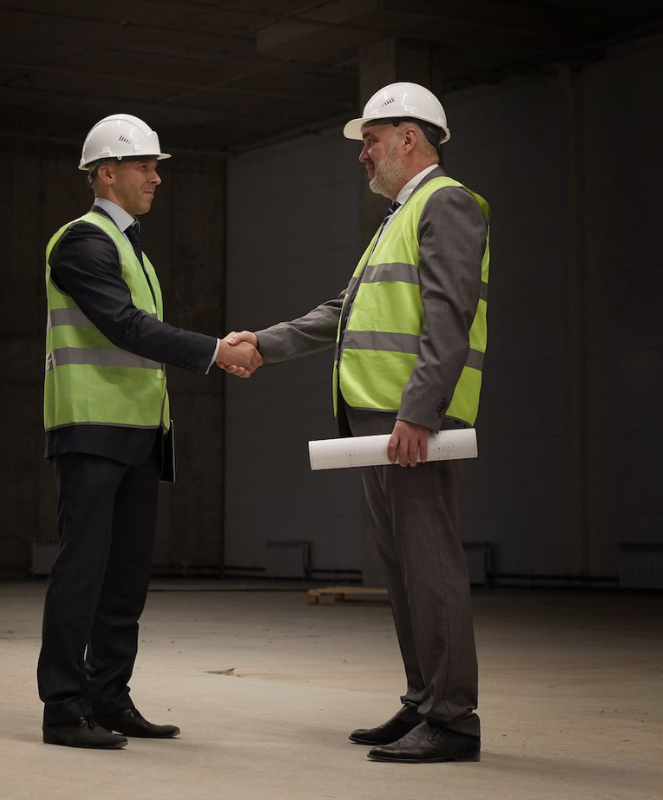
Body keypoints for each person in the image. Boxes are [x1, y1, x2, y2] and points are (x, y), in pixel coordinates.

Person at [225, 82, 489, 764]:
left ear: (409, 136)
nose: (363, 154)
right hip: (381, 420)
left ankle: (454, 718)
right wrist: (263, 342)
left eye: (371, 140)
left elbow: (448, 318)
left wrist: (419, 413)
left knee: (431, 565)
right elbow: (341, 311)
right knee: (402, 569)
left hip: (410, 420)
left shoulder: (445, 202)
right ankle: (422, 701)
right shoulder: (396, 219)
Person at [39, 113, 261, 750]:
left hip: (136, 432)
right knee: (81, 572)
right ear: (107, 173)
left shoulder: (131, 246)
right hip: (91, 430)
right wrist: (217, 350)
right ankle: (62, 708)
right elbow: (125, 327)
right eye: (145, 167)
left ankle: (108, 695)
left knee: (126, 575)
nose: (157, 178)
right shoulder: (82, 242)